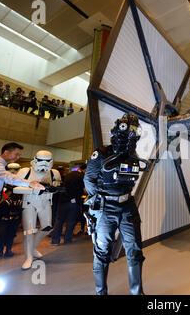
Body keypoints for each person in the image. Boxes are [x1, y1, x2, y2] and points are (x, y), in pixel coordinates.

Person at [84, 113, 146, 295]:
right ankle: (101, 292)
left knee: (134, 250)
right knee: (102, 251)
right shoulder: (101, 153)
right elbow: (89, 181)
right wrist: (103, 199)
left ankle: (137, 292)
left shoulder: (132, 155)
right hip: (105, 207)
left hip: (127, 205)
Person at [0, 143, 44, 249]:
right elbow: (8, 177)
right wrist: (29, 183)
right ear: (6, 152)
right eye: (16, 154)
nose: (18, 157)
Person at [14, 151, 61, 270]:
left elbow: (56, 186)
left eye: (47, 161)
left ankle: (33, 248)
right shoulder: (26, 171)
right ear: (35, 160)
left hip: (45, 202)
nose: (44, 164)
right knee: (29, 231)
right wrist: (33, 190)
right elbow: (15, 188)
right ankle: (28, 257)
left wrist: (52, 190)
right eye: (40, 160)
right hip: (29, 202)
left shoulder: (54, 173)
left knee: (47, 227)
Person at [50, 164, 86, 245]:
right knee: (71, 221)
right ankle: (67, 240)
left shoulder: (69, 174)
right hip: (73, 201)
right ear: (85, 169)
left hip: (62, 200)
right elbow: (85, 190)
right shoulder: (82, 176)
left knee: (59, 220)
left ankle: (55, 240)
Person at [0, 163, 23, 258]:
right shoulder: (3, 182)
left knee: (10, 233)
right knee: (3, 234)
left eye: (16, 170)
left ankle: (7, 250)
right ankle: (1, 251)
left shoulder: (19, 182)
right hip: (4, 212)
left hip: (14, 211)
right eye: (12, 170)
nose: (14, 172)